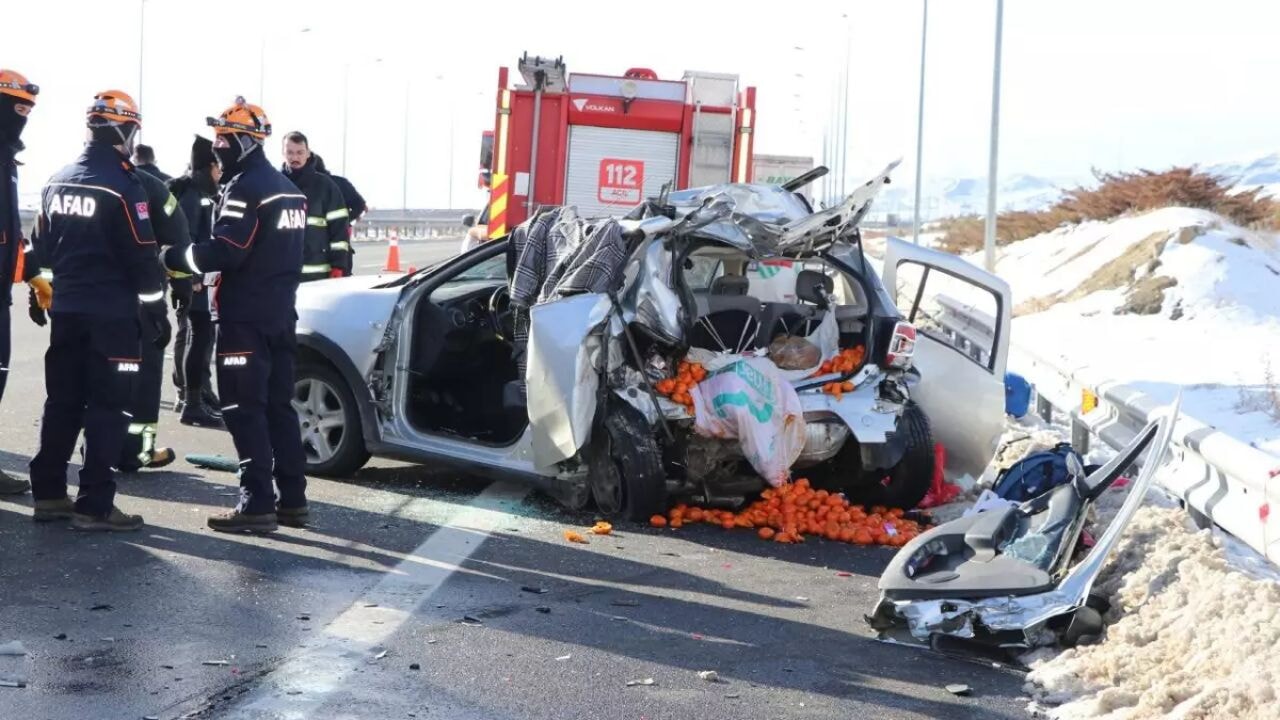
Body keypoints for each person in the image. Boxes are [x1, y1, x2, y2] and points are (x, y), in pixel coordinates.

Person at [25, 89, 170, 531]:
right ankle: (95, 506)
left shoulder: (57, 180)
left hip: (67, 312)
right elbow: (142, 257)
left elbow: (40, 249)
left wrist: (41, 293)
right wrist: (156, 310)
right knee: (109, 409)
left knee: (63, 402)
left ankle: (49, 494)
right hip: (113, 318)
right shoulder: (124, 186)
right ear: (124, 130)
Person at [162, 97, 308, 534]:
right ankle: (293, 501)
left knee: (244, 410)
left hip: (245, 318)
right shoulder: (290, 190)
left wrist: (174, 257)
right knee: (280, 409)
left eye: (225, 138)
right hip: (281, 313)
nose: (217, 146)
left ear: (246, 141)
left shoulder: (246, 188)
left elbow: (227, 251)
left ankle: (257, 503)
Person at [117, 150, 191, 472]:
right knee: (144, 380)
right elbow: (179, 239)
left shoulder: (71, 181)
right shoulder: (151, 187)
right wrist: (183, 291)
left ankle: (95, 446)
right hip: (143, 303)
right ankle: (137, 451)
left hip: (90, 303)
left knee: (94, 380)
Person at [0, 69, 38, 496]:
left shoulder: (8, 159)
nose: (21, 118)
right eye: (16, 108)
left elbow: (11, 230)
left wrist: (30, 274)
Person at [168, 135, 223, 428]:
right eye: (218, 165)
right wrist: (195, 277)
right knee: (196, 337)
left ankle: (200, 394)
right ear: (210, 165)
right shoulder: (193, 193)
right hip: (193, 280)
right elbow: (185, 237)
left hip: (199, 278)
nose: (221, 171)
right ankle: (191, 402)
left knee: (202, 338)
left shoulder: (202, 190)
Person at [280, 131, 350, 281]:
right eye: (290, 153)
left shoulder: (325, 186)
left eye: (300, 152)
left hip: (318, 277)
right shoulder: (274, 185)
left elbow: (339, 229)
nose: (295, 158)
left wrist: (339, 265)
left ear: (308, 153)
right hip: (281, 277)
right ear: (283, 153)